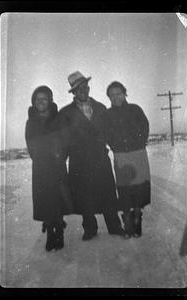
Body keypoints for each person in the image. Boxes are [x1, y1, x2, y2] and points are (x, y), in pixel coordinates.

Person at [53, 71, 125, 241]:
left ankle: (114, 226)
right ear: (74, 92)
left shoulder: (100, 108)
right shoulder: (65, 113)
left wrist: (121, 147)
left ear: (89, 87)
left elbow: (110, 132)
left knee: (107, 192)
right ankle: (90, 229)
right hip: (79, 162)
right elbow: (62, 140)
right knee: (84, 195)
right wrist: (59, 161)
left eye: (85, 87)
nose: (83, 91)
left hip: (100, 159)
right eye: (78, 89)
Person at [25, 85, 72, 251]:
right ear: (34, 102)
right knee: (45, 200)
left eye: (44, 98)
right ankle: (50, 233)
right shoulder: (30, 122)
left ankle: (59, 231)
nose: (41, 101)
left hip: (57, 166)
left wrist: (60, 156)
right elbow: (30, 145)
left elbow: (66, 141)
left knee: (58, 200)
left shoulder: (58, 118)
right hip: (40, 168)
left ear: (50, 100)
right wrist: (40, 158)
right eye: (37, 99)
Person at [104, 81, 151, 238]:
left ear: (125, 93)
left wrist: (137, 144)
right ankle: (128, 221)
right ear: (109, 97)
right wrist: (117, 146)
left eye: (118, 93)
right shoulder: (108, 115)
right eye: (112, 95)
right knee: (124, 189)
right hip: (121, 157)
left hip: (138, 155)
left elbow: (144, 128)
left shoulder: (135, 109)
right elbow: (107, 135)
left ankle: (137, 218)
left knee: (138, 188)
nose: (116, 97)